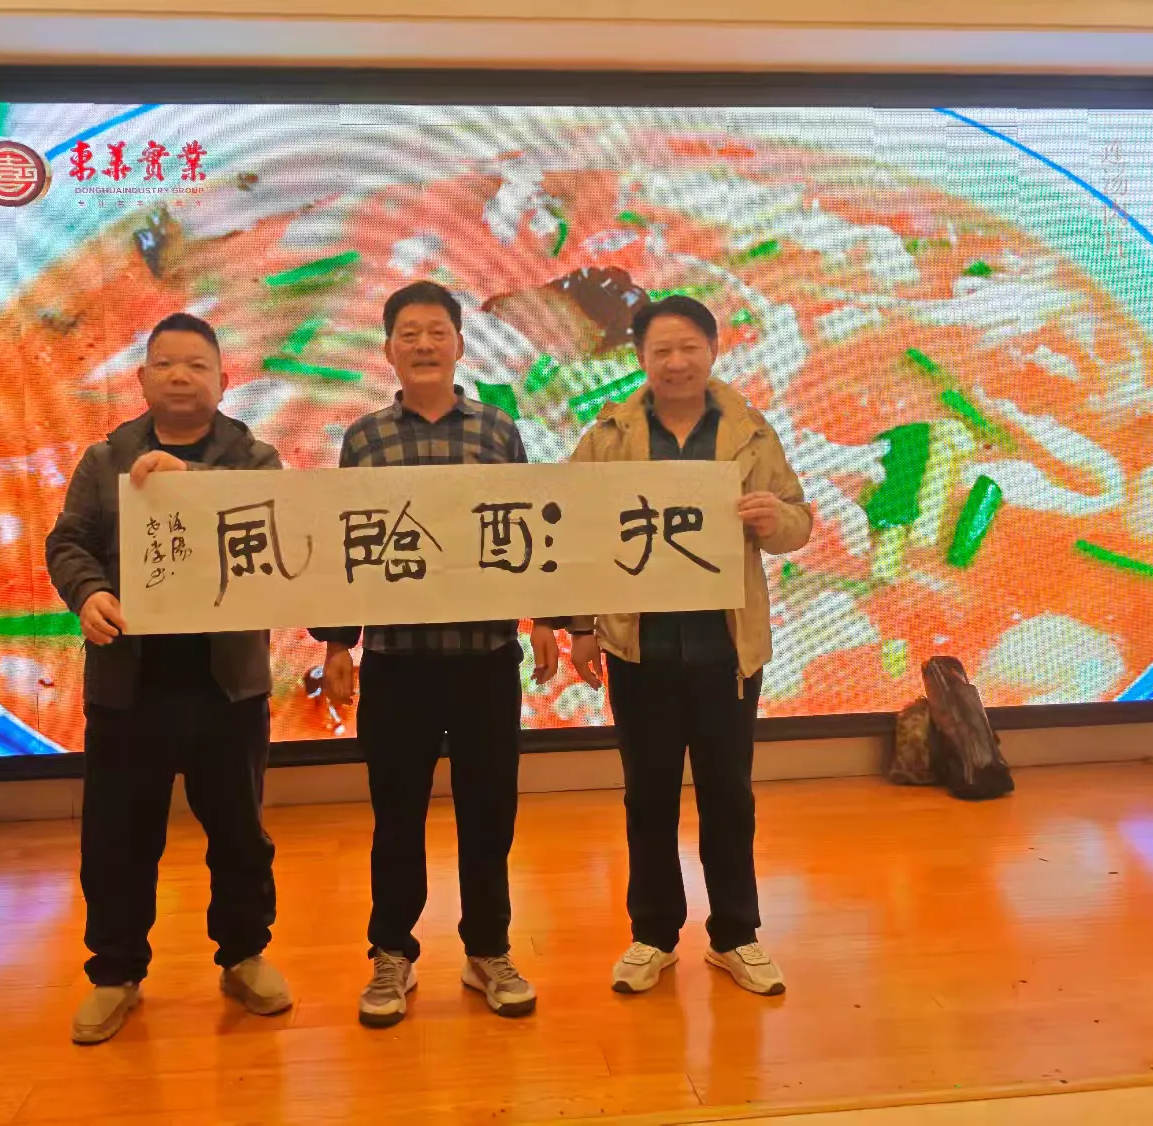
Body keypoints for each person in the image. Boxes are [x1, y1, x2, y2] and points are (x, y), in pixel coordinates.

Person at [313, 281, 559, 1028]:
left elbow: (527, 528)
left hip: (486, 656)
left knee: (490, 814)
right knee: (396, 819)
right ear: (389, 349)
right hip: (398, 661)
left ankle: (488, 950)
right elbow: (345, 544)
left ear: (458, 344)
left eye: (437, 332)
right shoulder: (365, 439)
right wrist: (338, 642)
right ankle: (392, 953)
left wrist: (545, 618)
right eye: (409, 333)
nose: (423, 344)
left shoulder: (496, 429)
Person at [46, 312, 291, 1044]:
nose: (180, 376)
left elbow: (279, 529)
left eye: (196, 365)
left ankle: (243, 955)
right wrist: (89, 593)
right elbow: (68, 542)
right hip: (130, 684)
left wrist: (195, 485)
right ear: (142, 376)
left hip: (228, 684)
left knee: (239, 831)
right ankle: (115, 971)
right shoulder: (105, 458)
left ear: (224, 379)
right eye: (164, 364)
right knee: (118, 837)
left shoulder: (255, 458)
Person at [566, 295, 812, 997]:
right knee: (647, 799)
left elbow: (799, 522)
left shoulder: (750, 431)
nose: (676, 362)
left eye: (688, 348)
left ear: (713, 350)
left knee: (728, 797)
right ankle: (653, 936)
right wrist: (580, 627)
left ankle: (735, 935)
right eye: (661, 351)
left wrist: (775, 518)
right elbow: (574, 530)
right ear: (641, 359)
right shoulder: (610, 435)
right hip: (638, 649)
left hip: (725, 651)